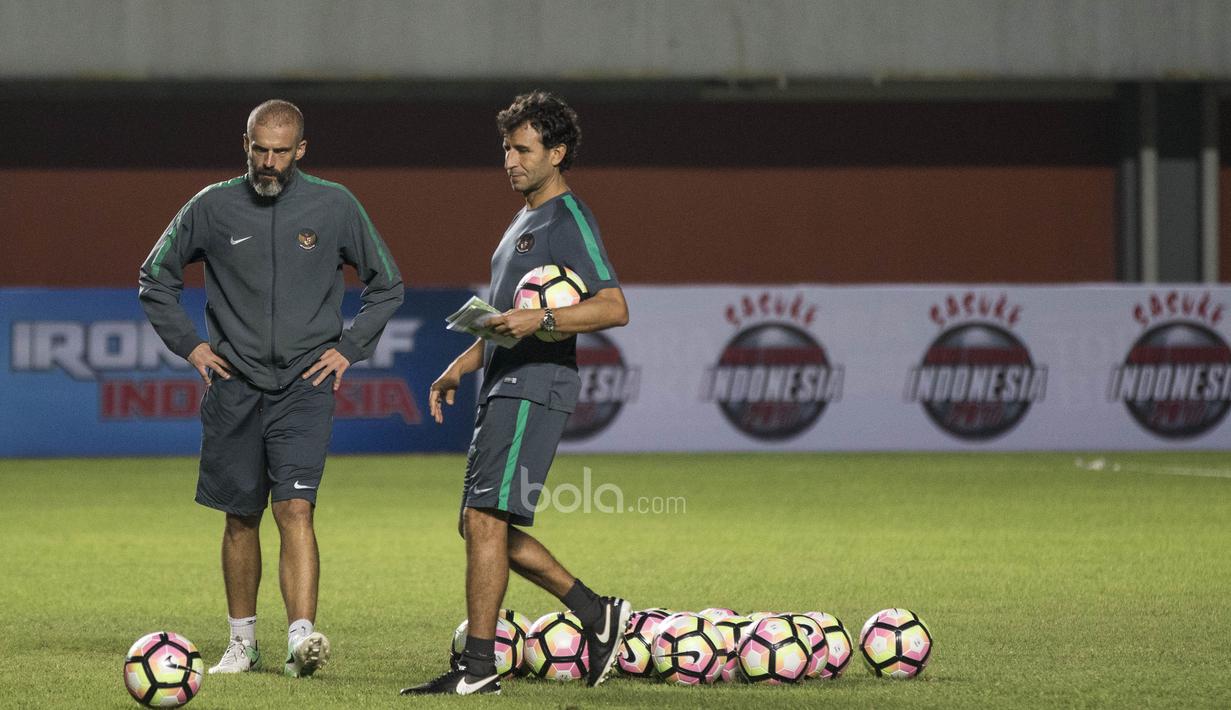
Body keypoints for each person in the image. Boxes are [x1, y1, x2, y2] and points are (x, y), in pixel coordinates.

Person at [138, 99, 404, 679]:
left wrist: (350, 348)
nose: (269, 161)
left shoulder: (335, 205)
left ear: (300, 151)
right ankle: (243, 643)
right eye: (260, 149)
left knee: (296, 508)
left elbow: (387, 285)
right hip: (233, 384)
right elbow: (153, 278)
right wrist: (191, 346)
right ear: (246, 144)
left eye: (281, 152)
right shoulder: (209, 206)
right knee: (240, 516)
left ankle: (300, 639)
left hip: (305, 384)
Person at [402, 91, 631, 697]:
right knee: (479, 525)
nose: (510, 159)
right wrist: (460, 364)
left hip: (536, 387)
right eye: (506, 148)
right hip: (502, 385)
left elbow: (613, 307)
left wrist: (545, 323)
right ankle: (597, 613)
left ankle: (477, 669)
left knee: (484, 520)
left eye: (523, 149)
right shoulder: (519, 223)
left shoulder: (569, 219)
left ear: (557, 153)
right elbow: (507, 318)